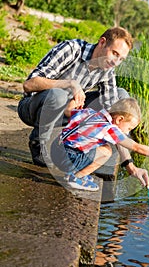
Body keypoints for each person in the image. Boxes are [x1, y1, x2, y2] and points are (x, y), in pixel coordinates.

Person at [17, 26, 133, 166]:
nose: (116, 62)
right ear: (102, 42)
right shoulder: (72, 49)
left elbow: (114, 117)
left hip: (67, 114)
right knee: (58, 95)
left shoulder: (108, 69)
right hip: (35, 108)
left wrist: (129, 164)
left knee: (120, 97)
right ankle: (39, 145)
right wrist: (70, 84)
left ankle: (86, 150)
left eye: (121, 59)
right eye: (114, 53)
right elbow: (29, 85)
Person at [50, 98, 149, 192]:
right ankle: (75, 178)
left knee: (93, 145)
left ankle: (78, 174)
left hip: (55, 149)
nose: (127, 132)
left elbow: (68, 111)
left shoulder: (91, 113)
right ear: (119, 119)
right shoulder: (109, 128)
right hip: (67, 158)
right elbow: (137, 147)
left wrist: (74, 100)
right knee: (106, 151)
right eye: (129, 128)